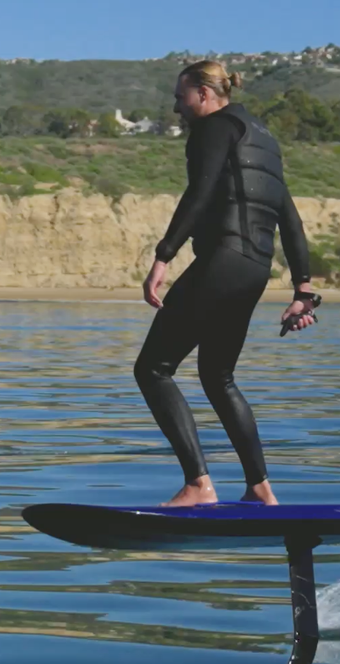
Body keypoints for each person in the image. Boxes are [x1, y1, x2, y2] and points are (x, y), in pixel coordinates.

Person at [137, 61, 321, 507]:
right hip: (254, 268)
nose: (177, 107)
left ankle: (198, 485)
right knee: (218, 377)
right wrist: (303, 290)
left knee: (153, 369)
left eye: (181, 98)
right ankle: (260, 489)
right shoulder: (263, 138)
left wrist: (163, 256)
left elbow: (198, 194)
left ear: (203, 93)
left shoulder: (214, 129)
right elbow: (290, 220)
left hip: (221, 261)